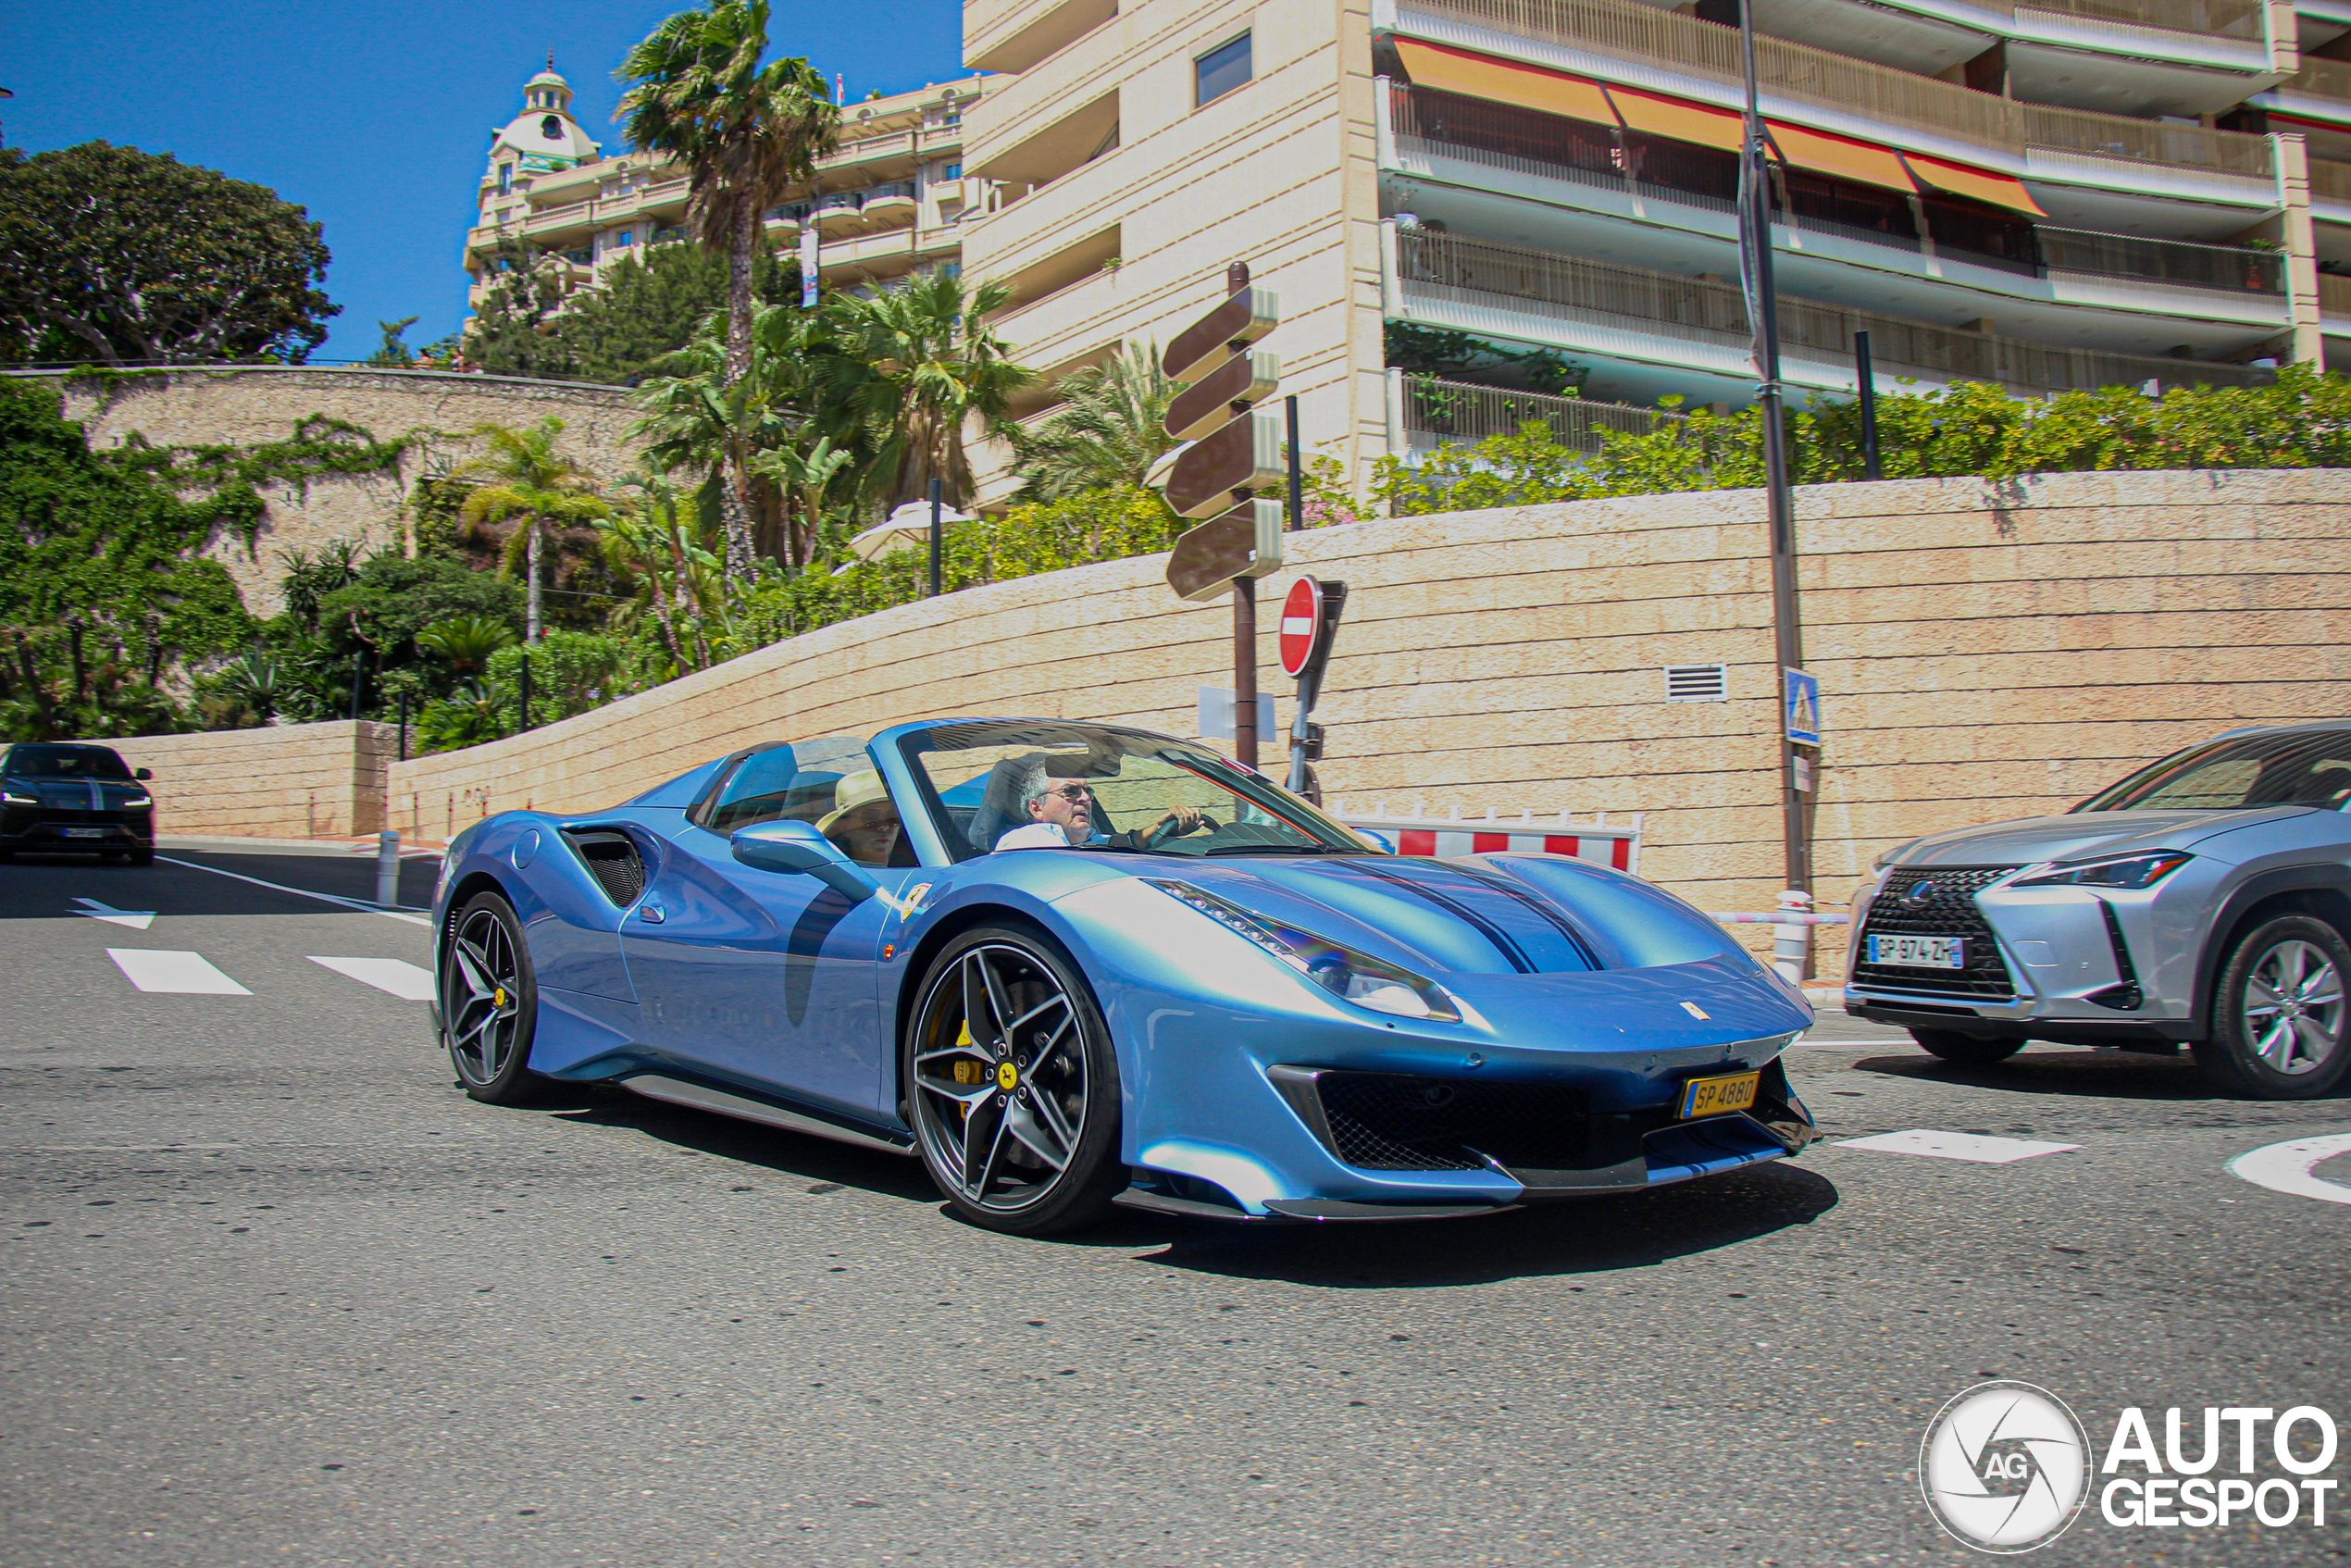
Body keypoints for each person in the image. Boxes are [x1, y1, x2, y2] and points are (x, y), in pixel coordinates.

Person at [993, 765, 1211, 852]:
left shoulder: (1087, 842)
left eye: (1088, 791)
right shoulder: (1022, 844)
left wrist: (1161, 828)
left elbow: (1121, 843)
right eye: (1070, 792)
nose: (1086, 798)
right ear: (1036, 808)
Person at [815, 770, 903, 866]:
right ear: (844, 826)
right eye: (871, 818)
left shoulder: (917, 864)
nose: (884, 826)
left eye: (892, 818)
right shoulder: (835, 872)